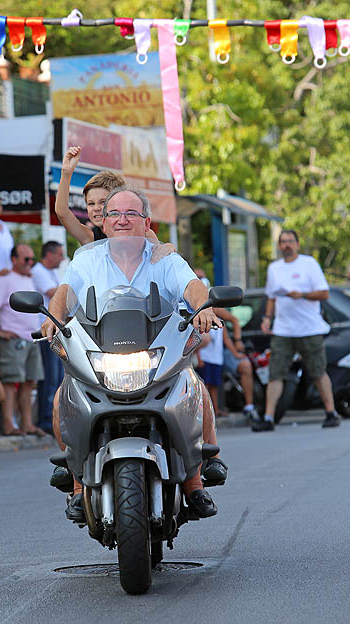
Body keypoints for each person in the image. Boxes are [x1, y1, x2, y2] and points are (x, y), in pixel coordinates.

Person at [44, 187, 224, 522]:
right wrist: (51, 318)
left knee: (193, 386)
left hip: (156, 358)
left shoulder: (165, 258)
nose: (122, 221)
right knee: (62, 397)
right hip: (103, 356)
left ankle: (195, 481)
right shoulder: (87, 259)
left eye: (131, 214)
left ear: (146, 222)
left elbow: (192, 286)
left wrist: (203, 307)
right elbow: (63, 294)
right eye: (114, 214)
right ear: (105, 222)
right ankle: (76, 482)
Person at [258, 229, 340, 432]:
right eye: (283, 241)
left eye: (290, 241)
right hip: (283, 330)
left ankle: (331, 412)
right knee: (275, 373)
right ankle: (268, 417)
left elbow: (324, 293)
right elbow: (271, 297)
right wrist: (267, 318)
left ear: (297, 244)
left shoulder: (308, 264)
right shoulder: (274, 268)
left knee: (318, 371)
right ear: (279, 246)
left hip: (309, 328)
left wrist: (301, 295)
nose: (287, 245)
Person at [0, 244, 44, 436]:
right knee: (11, 382)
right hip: (13, 339)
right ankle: (9, 425)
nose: (30, 263)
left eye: (32, 259)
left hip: (32, 337)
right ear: (14, 260)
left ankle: (26, 424)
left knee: (29, 382)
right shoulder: (5, 280)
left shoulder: (29, 279)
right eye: (26, 259)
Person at [31, 241, 64, 435]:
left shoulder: (50, 272)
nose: (61, 258)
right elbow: (56, 293)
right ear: (49, 254)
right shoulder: (39, 270)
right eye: (59, 254)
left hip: (54, 331)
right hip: (44, 332)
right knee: (50, 379)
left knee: (58, 378)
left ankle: (54, 420)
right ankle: (45, 420)